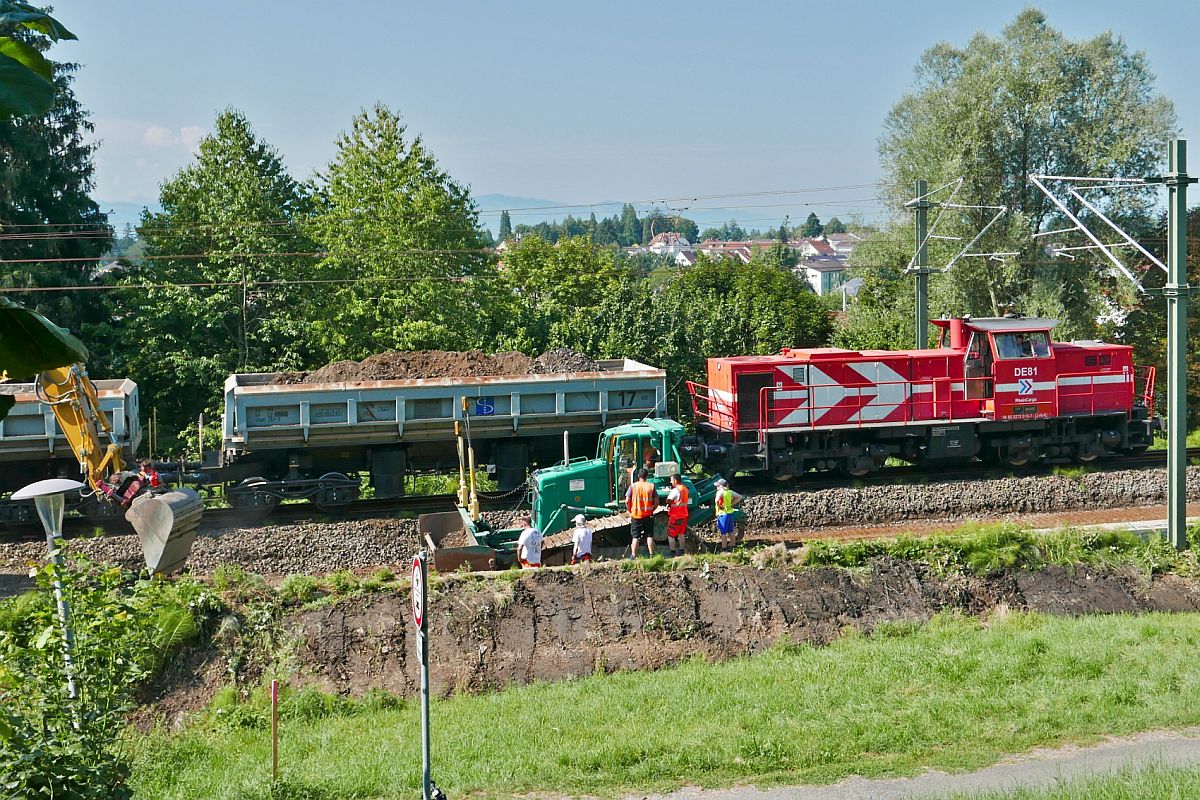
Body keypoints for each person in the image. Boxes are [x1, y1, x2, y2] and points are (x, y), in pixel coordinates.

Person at [625, 467, 659, 558]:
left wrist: (630, 510)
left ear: (638, 476)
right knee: (649, 535)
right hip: (648, 515)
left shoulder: (633, 486)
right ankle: (652, 554)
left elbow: (627, 500)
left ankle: (633, 556)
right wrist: (652, 509)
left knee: (635, 537)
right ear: (647, 476)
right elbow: (656, 501)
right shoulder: (651, 486)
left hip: (636, 515)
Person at [714, 478, 742, 551]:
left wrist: (719, 506)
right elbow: (739, 497)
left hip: (723, 514)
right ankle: (732, 545)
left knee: (723, 532)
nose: (716, 487)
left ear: (722, 486)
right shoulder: (730, 492)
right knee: (731, 531)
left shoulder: (720, 492)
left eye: (718, 486)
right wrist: (731, 503)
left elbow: (716, 500)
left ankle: (724, 548)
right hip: (730, 513)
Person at [665, 473, 690, 556]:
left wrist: (668, 503)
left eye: (671, 480)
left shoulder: (675, 490)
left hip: (676, 516)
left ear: (675, 480)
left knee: (670, 535)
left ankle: (672, 552)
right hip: (684, 515)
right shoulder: (685, 489)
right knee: (681, 534)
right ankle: (681, 550)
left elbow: (668, 500)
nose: (670, 482)